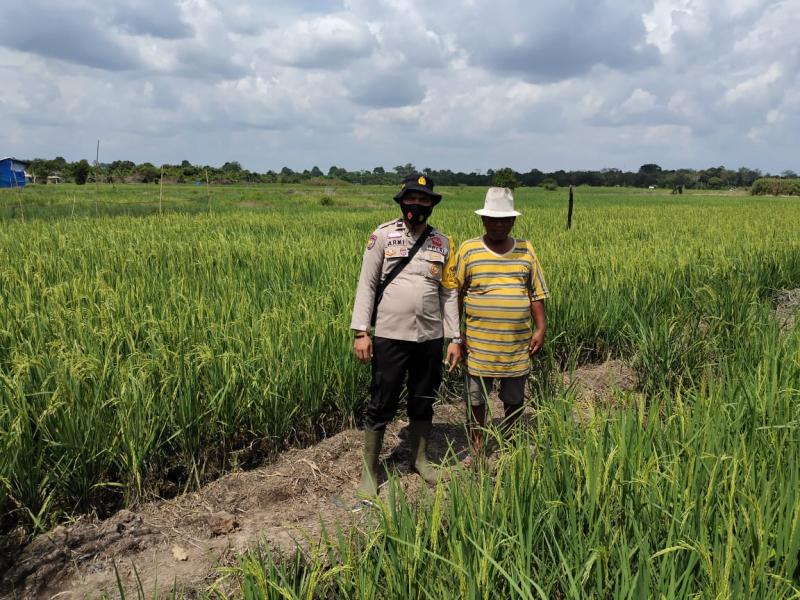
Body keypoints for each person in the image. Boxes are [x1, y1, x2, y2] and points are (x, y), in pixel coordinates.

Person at [351, 172, 461, 497]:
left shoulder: (442, 243)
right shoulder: (383, 236)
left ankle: (420, 459)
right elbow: (367, 284)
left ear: (431, 204)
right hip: (389, 336)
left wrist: (455, 338)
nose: (417, 205)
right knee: (381, 400)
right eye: (412, 199)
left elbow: (449, 293)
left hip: (429, 338)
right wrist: (361, 331)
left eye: (424, 200)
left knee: (423, 399)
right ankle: (370, 472)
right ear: (402, 202)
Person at [450, 187, 549, 465]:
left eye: (505, 219)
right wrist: (456, 336)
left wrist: (540, 328)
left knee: (514, 397)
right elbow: (455, 294)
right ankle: (478, 447)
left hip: (516, 345)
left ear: (513, 221)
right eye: (493, 219)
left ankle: (513, 442)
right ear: (483, 220)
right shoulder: (469, 250)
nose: (499, 224)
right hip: (479, 345)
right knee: (476, 399)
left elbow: (536, 293)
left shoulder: (526, 249)